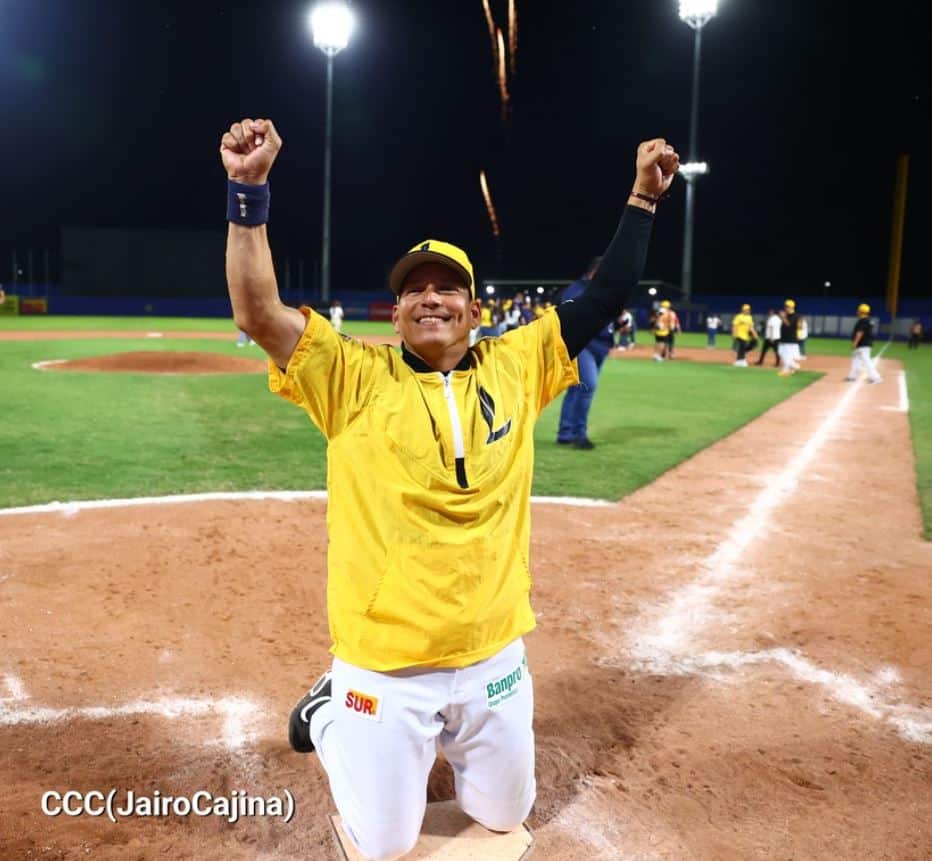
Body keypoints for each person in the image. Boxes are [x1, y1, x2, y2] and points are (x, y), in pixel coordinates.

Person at [220, 116, 679, 860]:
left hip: (493, 652)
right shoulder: (352, 376)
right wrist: (249, 192)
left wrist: (643, 199)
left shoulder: (518, 361)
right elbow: (257, 314)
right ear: (395, 313)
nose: (431, 298)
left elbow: (608, 294)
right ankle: (331, 711)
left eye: (449, 289)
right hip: (385, 661)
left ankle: (452, 746)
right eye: (415, 291)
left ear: (474, 309)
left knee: (505, 814)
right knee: (381, 844)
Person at [555, 256, 612, 450]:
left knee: (577, 389)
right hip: (583, 345)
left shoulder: (604, 290)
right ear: (595, 272)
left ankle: (565, 433)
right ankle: (579, 434)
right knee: (588, 386)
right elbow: (566, 313)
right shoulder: (577, 289)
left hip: (601, 345)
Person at [845, 303, 882, 383]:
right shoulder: (868, 320)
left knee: (866, 361)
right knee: (856, 361)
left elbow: (860, 333)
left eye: (858, 310)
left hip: (862, 345)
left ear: (861, 311)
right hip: (863, 344)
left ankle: (876, 377)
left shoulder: (863, 321)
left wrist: (855, 343)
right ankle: (852, 377)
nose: (857, 312)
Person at [777, 298, 800, 376]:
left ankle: (786, 370)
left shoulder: (795, 316)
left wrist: (783, 317)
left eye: (786, 306)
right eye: (785, 306)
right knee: (781, 353)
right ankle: (794, 366)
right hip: (784, 339)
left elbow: (789, 325)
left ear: (791, 307)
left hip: (790, 340)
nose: (785, 308)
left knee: (787, 356)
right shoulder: (787, 315)